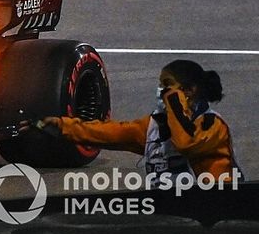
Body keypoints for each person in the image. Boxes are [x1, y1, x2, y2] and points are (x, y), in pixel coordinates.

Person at [31, 60, 242, 183]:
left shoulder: (213, 125)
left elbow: (186, 143)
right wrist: (61, 126)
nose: (162, 90)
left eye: (168, 85)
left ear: (189, 91)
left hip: (218, 214)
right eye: (160, 84)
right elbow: (108, 132)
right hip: (172, 215)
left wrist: (175, 105)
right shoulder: (153, 127)